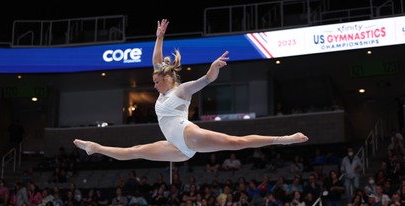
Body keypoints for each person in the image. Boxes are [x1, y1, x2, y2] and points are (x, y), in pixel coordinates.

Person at [73, 19, 308, 163]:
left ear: (167, 78)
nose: (154, 85)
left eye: (156, 81)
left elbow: (206, 80)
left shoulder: (182, 90)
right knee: (135, 151)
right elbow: (156, 59)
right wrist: (159, 37)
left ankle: (283, 139)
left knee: (235, 142)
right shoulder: (164, 89)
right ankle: (95, 148)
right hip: (177, 148)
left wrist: (213, 68)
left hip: (187, 135)